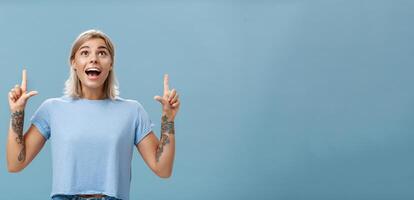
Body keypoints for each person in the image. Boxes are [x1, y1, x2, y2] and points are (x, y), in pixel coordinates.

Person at [6, 29, 180, 200]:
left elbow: (162, 169)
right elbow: (15, 164)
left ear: (111, 63)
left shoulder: (132, 111)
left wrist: (168, 120)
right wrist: (17, 113)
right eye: (85, 52)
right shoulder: (52, 109)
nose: (93, 59)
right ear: (73, 62)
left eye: (102, 53)